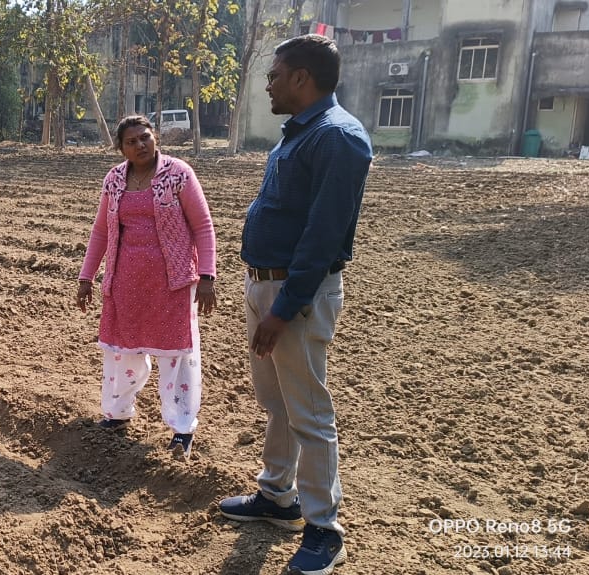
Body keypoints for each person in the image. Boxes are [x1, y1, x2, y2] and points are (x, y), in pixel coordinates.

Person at [216, 34, 371, 575]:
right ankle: (277, 496)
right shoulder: (301, 133)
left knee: (309, 412)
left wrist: (283, 309)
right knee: (279, 403)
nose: (268, 85)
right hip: (265, 286)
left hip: (294, 296)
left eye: (275, 74)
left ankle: (324, 528)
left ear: (302, 77)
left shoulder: (338, 138)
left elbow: (323, 236)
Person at [76, 115, 217, 460]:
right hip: (126, 280)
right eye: (132, 141)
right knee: (122, 351)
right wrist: (86, 277)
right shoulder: (114, 180)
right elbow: (101, 232)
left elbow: (203, 225)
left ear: (155, 138)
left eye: (145, 137)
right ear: (121, 148)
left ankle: (181, 428)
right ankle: (117, 413)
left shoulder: (178, 174)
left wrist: (207, 276)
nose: (140, 145)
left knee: (176, 354)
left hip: (173, 282)